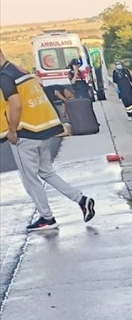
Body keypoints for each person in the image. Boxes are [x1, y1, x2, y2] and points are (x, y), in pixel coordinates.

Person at [1, 47, 95, 231]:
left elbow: (16, 105)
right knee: (46, 172)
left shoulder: (4, 76)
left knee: (30, 179)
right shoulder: (19, 70)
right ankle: (82, 200)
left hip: (24, 133)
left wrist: (12, 130)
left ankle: (47, 218)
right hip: (43, 130)